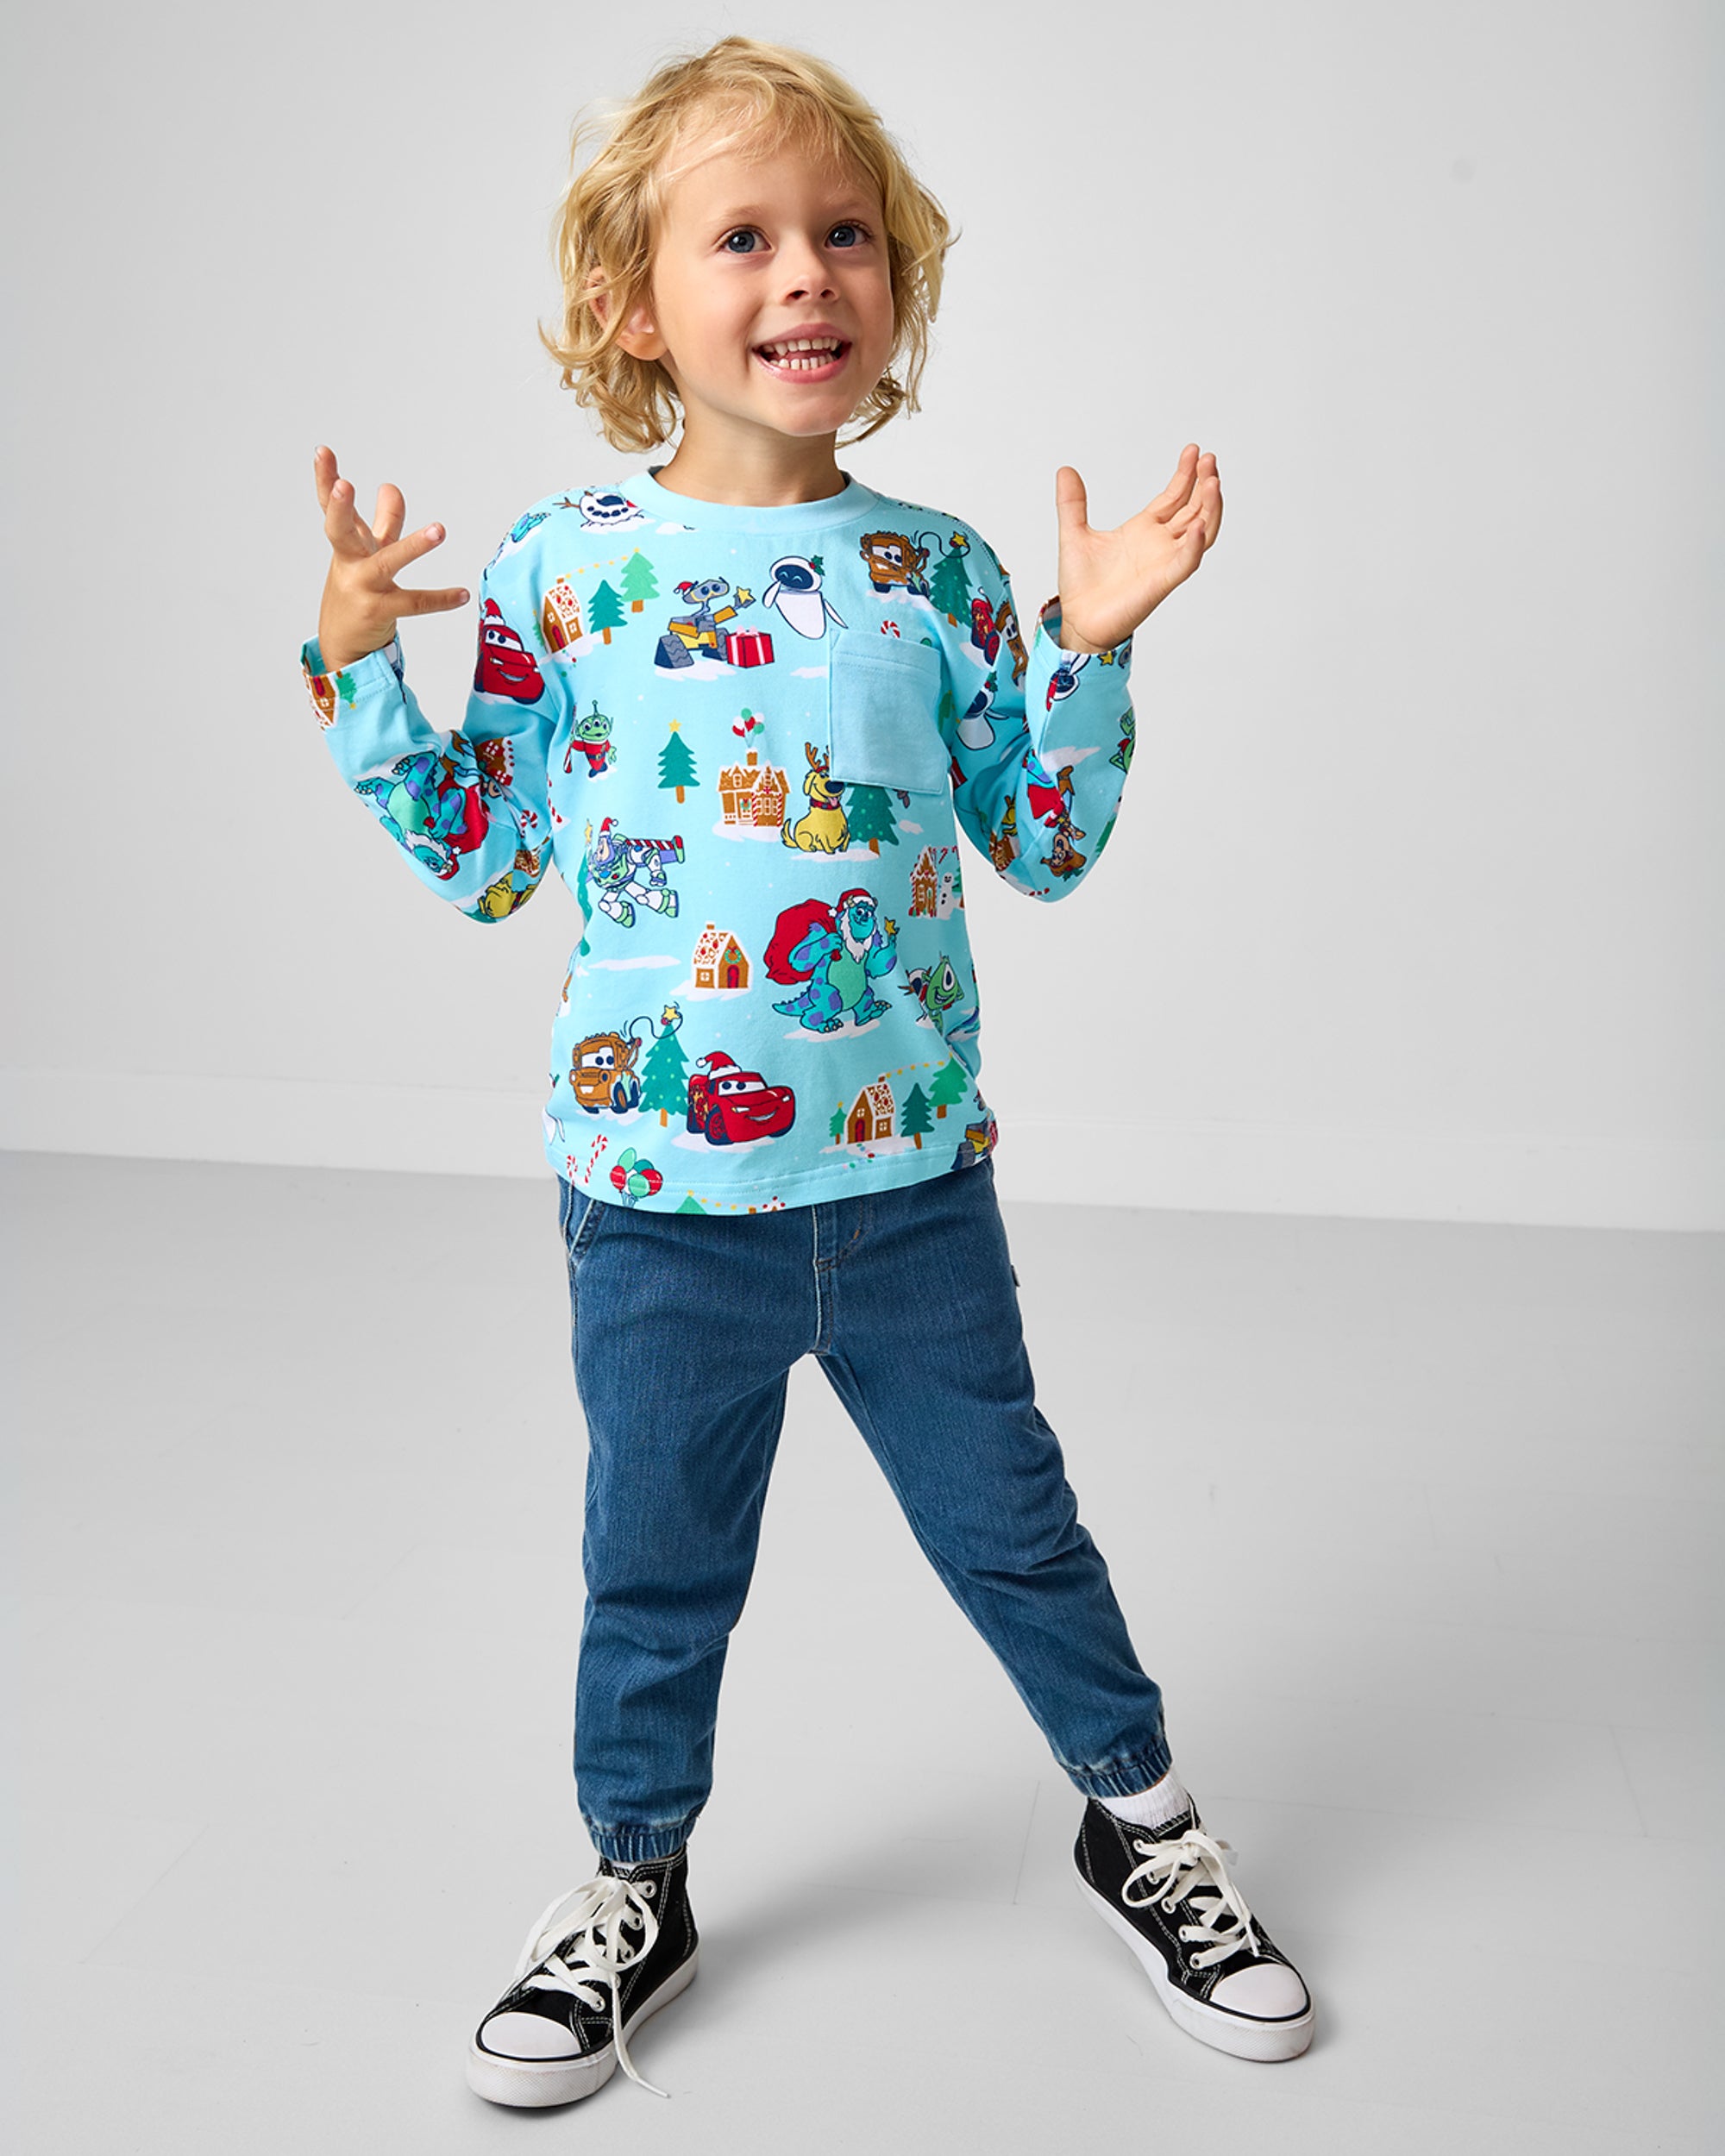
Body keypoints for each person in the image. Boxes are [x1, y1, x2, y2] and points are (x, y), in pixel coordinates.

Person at [304, 33, 1313, 2109]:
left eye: (845, 235)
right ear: (630, 307)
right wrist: (356, 670)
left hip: (912, 1186)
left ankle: (1141, 1819)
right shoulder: (560, 572)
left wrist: (1095, 641)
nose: (804, 275)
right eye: (744, 236)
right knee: (655, 1566)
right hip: (659, 1206)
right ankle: (632, 1879)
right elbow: (485, 860)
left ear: (894, 285)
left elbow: (1042, 840)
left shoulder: (936, 571)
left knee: (1016, 1530)